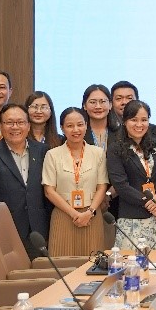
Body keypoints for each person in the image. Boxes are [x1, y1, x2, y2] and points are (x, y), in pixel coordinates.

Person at [0, 103, 50, 246]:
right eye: (9, 123)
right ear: (1, 126)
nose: (15, 127)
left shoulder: (42, 151)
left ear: (28, 126)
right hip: (6, 231)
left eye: (20, 122)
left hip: (40, 230)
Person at [42, 107, 109, 256]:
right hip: (64, 216)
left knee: (93, 262)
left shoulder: (98, 153)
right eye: (70, 126)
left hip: (91, 216)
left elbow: (102, 186)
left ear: (86, 125)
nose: (76, 130)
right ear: (62, 128)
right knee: (62, 261)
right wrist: (74, 214)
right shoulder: (52, 154)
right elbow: (49, 191)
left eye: (80, 124)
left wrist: (89, 212)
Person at [107, 100, 156, 253]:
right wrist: (148, 202)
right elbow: (121, 185)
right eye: (134, 120)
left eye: (144, 120)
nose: (139, 124)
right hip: (131, 218)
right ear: (124, 121)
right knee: (132, 264)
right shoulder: (115, 148)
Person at [82, 84, 116, 152]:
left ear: (110, 105)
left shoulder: (121, 132)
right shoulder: (79, 133)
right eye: (93, 102)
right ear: (84, 106)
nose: (98, 106)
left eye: (102, 101)